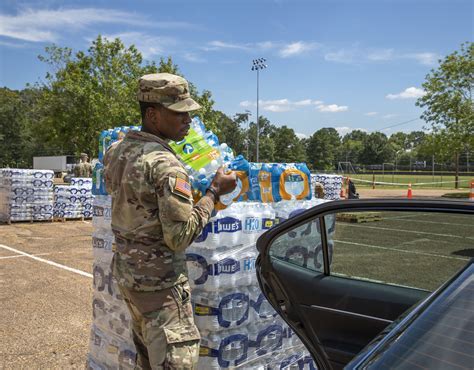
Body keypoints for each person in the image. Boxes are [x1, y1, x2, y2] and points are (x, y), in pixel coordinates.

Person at [103, 73, 237, 370]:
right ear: (153, 115)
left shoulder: (116, 152)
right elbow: (179, 236)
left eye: (189, 112)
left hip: (130, 277)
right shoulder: (166, 165)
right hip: (160, 288)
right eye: (179, 113)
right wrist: (213, 192)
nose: (188, 119)